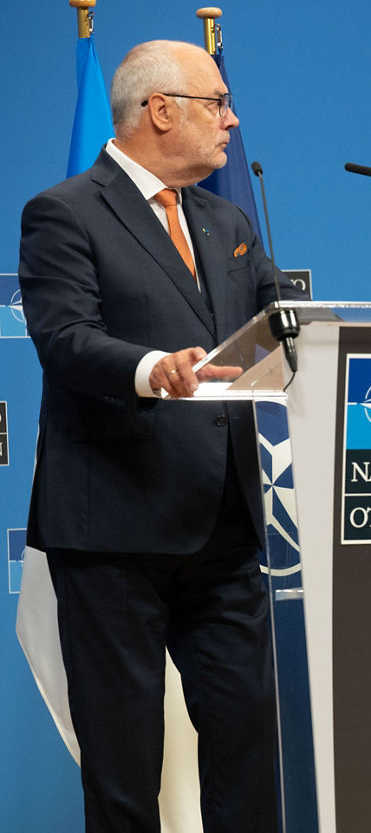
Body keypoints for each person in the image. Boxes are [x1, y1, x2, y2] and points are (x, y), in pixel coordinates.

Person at [18, 40, 303, 832]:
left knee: (249, 748)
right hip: (113, 532)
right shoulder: (64, 212)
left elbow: (276, 330)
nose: (232, 120)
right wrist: (154, 369)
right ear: (161, 110)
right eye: (218, 103)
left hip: (221, 527)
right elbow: (66, 339)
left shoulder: (227, 219)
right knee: (125, 765)